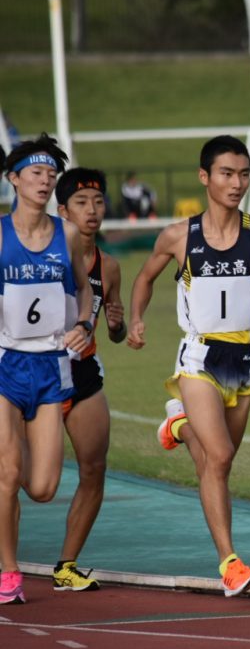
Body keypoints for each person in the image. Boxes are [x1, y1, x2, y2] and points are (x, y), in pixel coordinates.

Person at [127, 135, 250, 598]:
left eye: (244, 173)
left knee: (215, 464)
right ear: (205, 177)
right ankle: (230, 564)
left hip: (245, 360)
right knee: (219, 456)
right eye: (227, 173)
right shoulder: (179, 236)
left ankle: (179, 425)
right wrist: (138, 318)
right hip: (200, 356)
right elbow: (144, 277)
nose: (237, 182)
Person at [0, 134, 95, 605]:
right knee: (7, 471)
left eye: (50, 173)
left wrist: (83, 321)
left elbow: (84, 288)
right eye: (35, 173)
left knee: (41, 487)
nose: (44, 180)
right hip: (5, 363)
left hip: (52, 366)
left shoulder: (68, 234)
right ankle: (9, 571)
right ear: (13, 179)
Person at [50, 168, 127, 592]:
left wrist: (116, 325)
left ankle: (66, 565)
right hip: (35, 373)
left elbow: (112, 328)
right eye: (81, 203)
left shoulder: (109, 266)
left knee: (93, 468)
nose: (92, 210)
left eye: (98, 202)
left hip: (83, 373)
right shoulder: (40, 256)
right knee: (23, 477)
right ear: (62, 210)